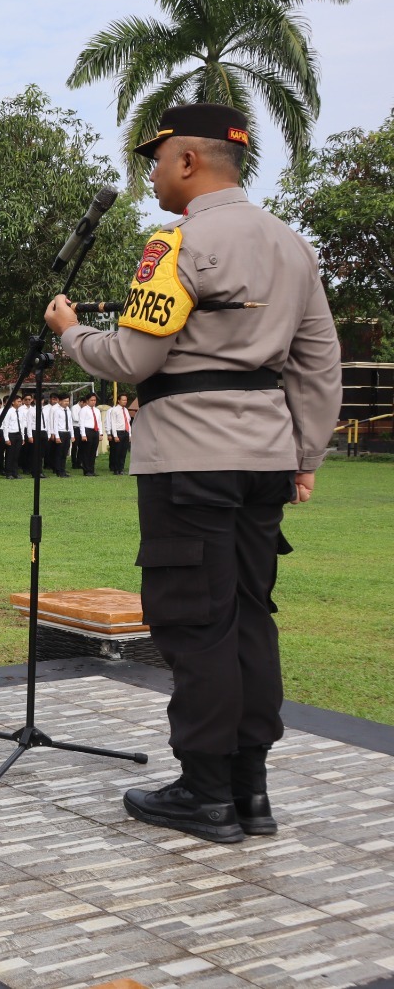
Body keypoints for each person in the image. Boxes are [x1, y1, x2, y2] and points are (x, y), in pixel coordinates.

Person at [45, 102, 341, 843]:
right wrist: (304, 456)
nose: (151, 176)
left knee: (196, 623)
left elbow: (133, 358)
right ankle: (250, 792)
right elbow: (318, 364)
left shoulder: (176, 244)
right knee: (249, 618)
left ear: (188, 161)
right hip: (264, 458)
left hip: (190, 458)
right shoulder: (293, 246)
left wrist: (71, 333)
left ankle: (205, 795)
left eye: (155, 161)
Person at [76, 392, 103, 476]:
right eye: (92, 400)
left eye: (95, 400)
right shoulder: (84, 410)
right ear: (87, 401)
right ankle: (86, 470)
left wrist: (101, 433)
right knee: (86, 451)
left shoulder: (97, 410)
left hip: (95, 431)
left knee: (93, 452)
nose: (93, 402)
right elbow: (81, 423)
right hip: (87, 431)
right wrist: (83, 434)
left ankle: (91, 469)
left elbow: (99, 422)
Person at [107, 394, 134, 474]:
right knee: (117, 452)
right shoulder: (114, 410)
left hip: (125, 432)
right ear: (119, 400)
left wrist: (129, 434)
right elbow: (113, 423)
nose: (125, 401)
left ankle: (121, 468)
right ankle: (116, 469)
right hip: (118, 432)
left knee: (123, 452)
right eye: (123, 400)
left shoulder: (126, 410)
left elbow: (128, 423)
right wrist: (115, 435)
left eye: (126, 400)